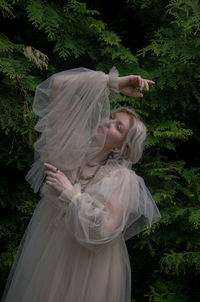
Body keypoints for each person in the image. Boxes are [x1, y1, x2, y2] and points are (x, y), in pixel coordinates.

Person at [1, 67, 161, 302]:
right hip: (50, 250)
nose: (108, 123)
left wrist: (70, 194)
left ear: (121, 147)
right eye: (112, 117)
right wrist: (114, 83)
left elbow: (104, 231)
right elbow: (57, 85)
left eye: (118, 127)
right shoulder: (70, 150)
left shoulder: (122, 180)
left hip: (89, 267)